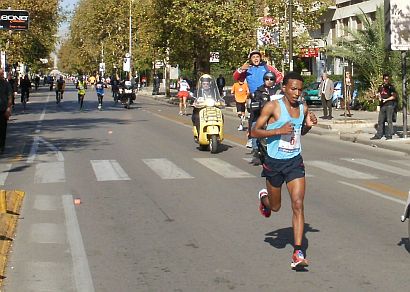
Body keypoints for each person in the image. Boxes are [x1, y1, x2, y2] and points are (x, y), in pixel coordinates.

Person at [251, 71, 317, 269]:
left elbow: (300, 132)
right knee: (275, 206)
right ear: (284, 88)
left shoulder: (303, 108)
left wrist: (309, 125)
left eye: (300, 89)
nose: (297, 93)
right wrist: (278, 131)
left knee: (298, 204)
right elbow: (254, 131)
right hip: (274, 163)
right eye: (293, 89)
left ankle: (298, 252)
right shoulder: (273, 106)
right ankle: (264, 198)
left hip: (294, 162)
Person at [233, 50, 283, 148]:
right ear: (250, 59)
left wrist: (272, 85)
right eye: (253, 57)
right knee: (253, 118)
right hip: (254, 97)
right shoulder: (247, 69)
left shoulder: (267, 67)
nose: (255, 59)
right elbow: (236, 77)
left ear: (260, 58)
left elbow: (279, 76)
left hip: (267, 96)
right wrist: (240, 69)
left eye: (257, 57)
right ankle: (251, 139)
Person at [249, 71, 281, 165]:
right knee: (255, 126)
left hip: (276, 116)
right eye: (267, 79)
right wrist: (259, 104)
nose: (269, 81)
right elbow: (254, 101)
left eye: (271, 79)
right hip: (262, 115)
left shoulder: (279, 90)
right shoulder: (259, 91)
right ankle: (256, 151)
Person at [371, 73, 397, 140]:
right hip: (382, 105)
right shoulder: (381, 86)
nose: (386, 80)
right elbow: (378, 94)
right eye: (385, 79)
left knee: (389, 120)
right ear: (383, 79)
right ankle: (379, 135)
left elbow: (394, 96)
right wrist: (377, 96)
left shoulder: (391, 87)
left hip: (389, 105)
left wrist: (386, 99)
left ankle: (389, 134)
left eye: (387, 79)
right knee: (380, 120)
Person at [0, 68, 13, 154]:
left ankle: (1, 146)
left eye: (1, 74)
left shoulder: (6, 84)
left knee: (2, 129)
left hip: (2, 110)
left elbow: (10, 97)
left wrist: (8, 108)